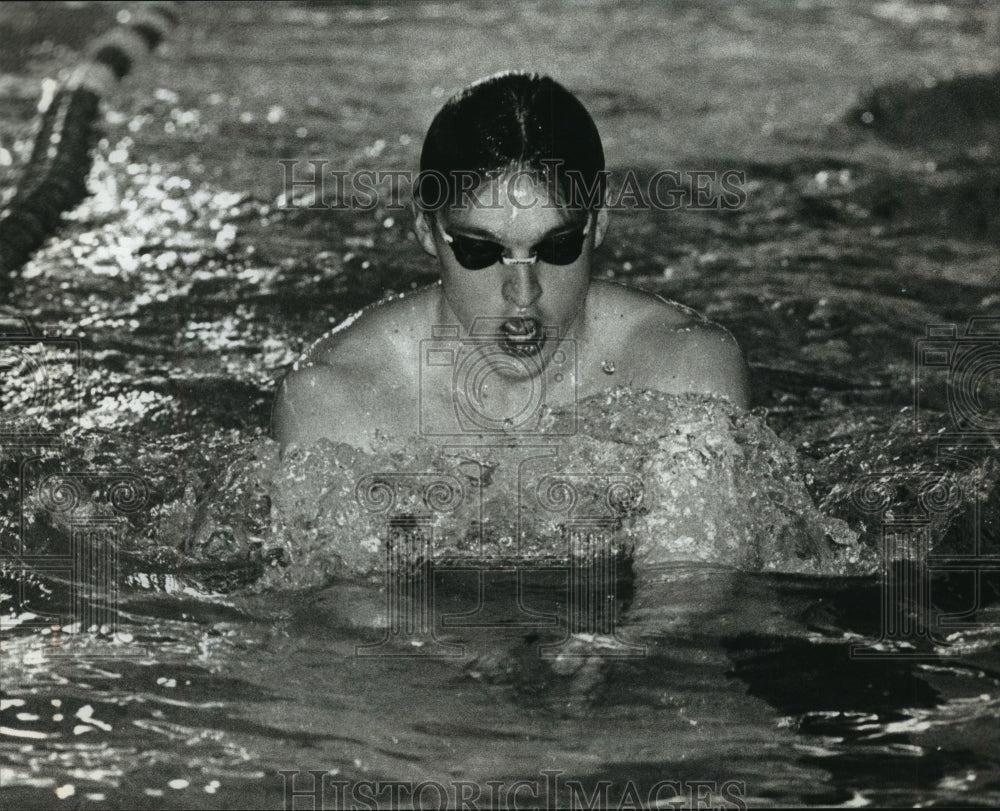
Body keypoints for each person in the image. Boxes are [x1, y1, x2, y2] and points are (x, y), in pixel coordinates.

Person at [272, 71, 749, 452]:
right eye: (480, 251)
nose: (523, 292)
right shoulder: (335, 401)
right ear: (425, 230)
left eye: (557, 247)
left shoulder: (685, 373)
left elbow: (690, 575)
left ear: (599, 223)